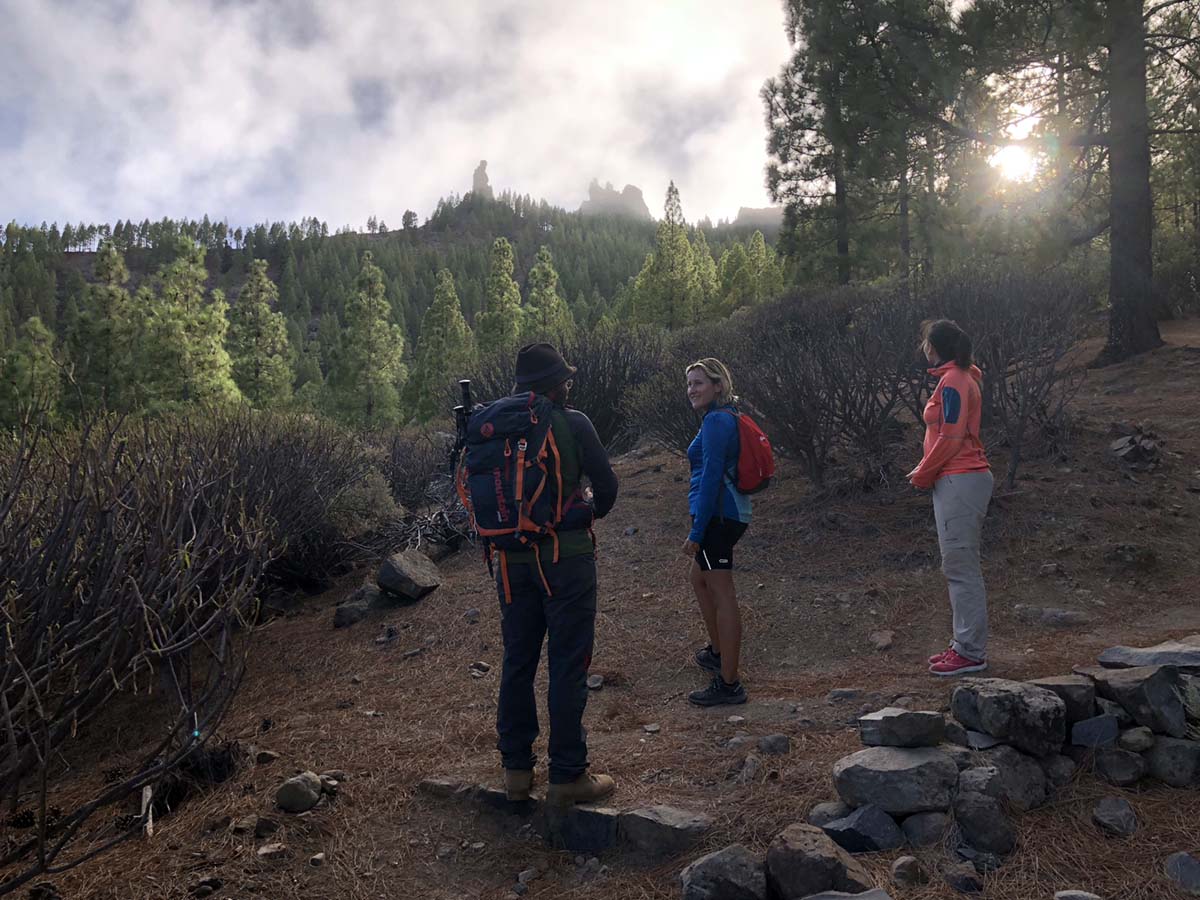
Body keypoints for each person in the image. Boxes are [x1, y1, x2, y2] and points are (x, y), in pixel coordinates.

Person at [495, 343, 619, 805]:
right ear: (555, 384)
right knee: (567, 663)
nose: (569, 384)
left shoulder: (496, 426)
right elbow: (607, 486)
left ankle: (516, 773)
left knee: (518, 661)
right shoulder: (573, 422)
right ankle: (567, 775)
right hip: (565, 561)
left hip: (510, 562)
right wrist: (587, 510)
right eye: (565, 378)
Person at [908, 319, 993, 677]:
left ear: (933, 346)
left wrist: (924, 471)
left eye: (925, 341)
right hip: (957, 478)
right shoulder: (956, 377)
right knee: (958, 566)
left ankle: (971, 651)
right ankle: (964, 645)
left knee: (961, 567)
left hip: (960, 479)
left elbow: (953, 436)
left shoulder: (955, 380)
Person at [682, 358, 752, 706]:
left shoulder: (716, 422)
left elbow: (710, 478)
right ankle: (717, 652)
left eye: (699, 383)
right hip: (723, 514)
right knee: (699, 578)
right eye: (690, 384)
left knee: (722, 592)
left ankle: (729, 683)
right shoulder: (720, 418)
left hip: (720, 516)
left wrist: (697, 531)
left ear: (718, 386)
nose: (692, 390)